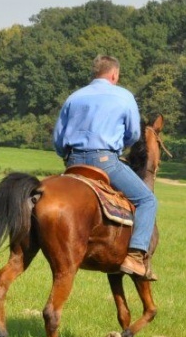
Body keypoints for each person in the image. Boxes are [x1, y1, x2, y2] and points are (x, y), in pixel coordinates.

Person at [52, 55, 158, 281]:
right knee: (147, 200)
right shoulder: (124, 96)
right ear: (114, 74)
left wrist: (68, 156)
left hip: (74, 164)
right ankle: (136, 256)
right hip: (105, 162)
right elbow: (133, 134)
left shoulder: (74, 97)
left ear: (95, 73)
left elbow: (58, 140)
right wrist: (119, 147)